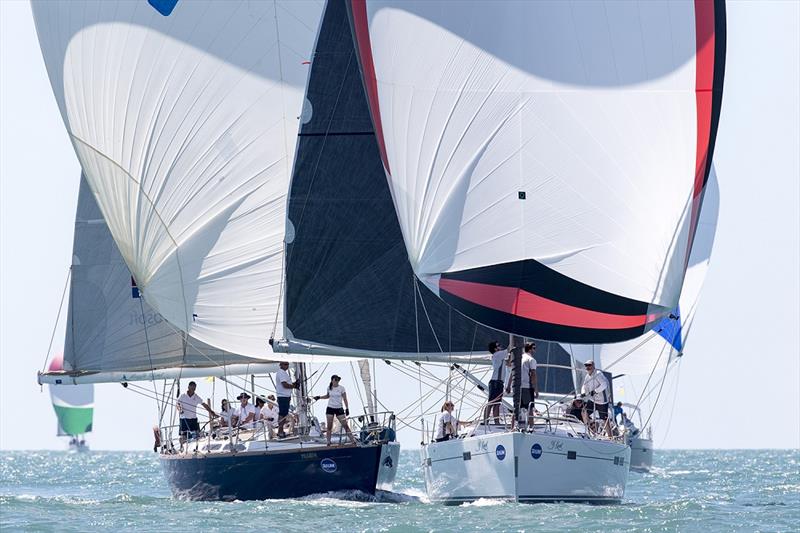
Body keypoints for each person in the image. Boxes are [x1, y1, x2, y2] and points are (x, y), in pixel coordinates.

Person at [313, 375, 358, 446]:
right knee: (329, 426)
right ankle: (328, 442)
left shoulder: (341, 388)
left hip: (339, 408)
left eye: (338, 380)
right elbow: (328, 396)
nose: (337, 381)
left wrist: (347, 408)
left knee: (345, 425)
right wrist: (319, 397)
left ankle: (353, 440)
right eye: (336, 379)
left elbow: (345, 398)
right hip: (330, 408)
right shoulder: (329, 388)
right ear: (332, 380)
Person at [580, 360, 612, 437]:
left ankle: (610, 436)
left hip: (602, 401)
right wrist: (583, 393)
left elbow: (604, 385)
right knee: (584, 412)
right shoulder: (587, 376)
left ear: (593, 366)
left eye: (589, 365)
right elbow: (584, 386)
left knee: (604, 419)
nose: (588, 367)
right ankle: (588, 430)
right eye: (586, 365)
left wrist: (595, 391)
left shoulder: (598, 374)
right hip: (593, 399)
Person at [484, 341, 509, 424]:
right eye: (499, 345)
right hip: (495, 382)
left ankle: (496, 422)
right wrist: (515, 338)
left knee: (497, 404)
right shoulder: (497, 354)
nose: (500, 346)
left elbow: (508, 363)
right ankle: (486, 421)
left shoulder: (500, 356)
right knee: (491, 402)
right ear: (495, 349)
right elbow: (508, 350)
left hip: (499, 383)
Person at [275, 362, 299, 438]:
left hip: (285, 396)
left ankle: (281, 431)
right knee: (282, 414)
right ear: (280, 365)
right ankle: (280, 431)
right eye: (285, 364)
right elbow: (284, 385)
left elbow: (287, 384)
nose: (287, 366)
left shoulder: (283, 373)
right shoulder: (281, 372)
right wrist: (294, 386)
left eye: (287, 364)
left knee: (284, 414)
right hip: (283, 397)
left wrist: (294, 384)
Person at [518, 342, 539, 425]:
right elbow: (533, 375)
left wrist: (509, 385)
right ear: (530, 349)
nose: (535, 350)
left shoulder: (519, 358)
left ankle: (513, 427)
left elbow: (513, 372)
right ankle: (531, 427)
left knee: (517, 408)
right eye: (534, 348)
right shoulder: (531, 360)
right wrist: (536, 390)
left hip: (518, 387)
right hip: (527, 387)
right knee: (530, 408)